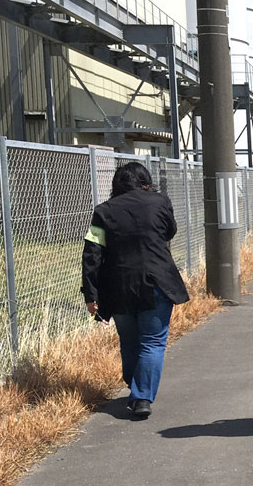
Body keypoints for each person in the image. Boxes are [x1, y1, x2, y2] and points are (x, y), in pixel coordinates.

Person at [81, 162, 190, 420]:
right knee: (152, 341)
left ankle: (137, 385)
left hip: (118, 287)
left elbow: (92, 254)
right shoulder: (160, 202)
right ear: (145, 181)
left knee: (129, 341)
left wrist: (91, 293)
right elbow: (170, 230)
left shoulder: (103, 211)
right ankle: (142, 396)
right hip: (156, 282)